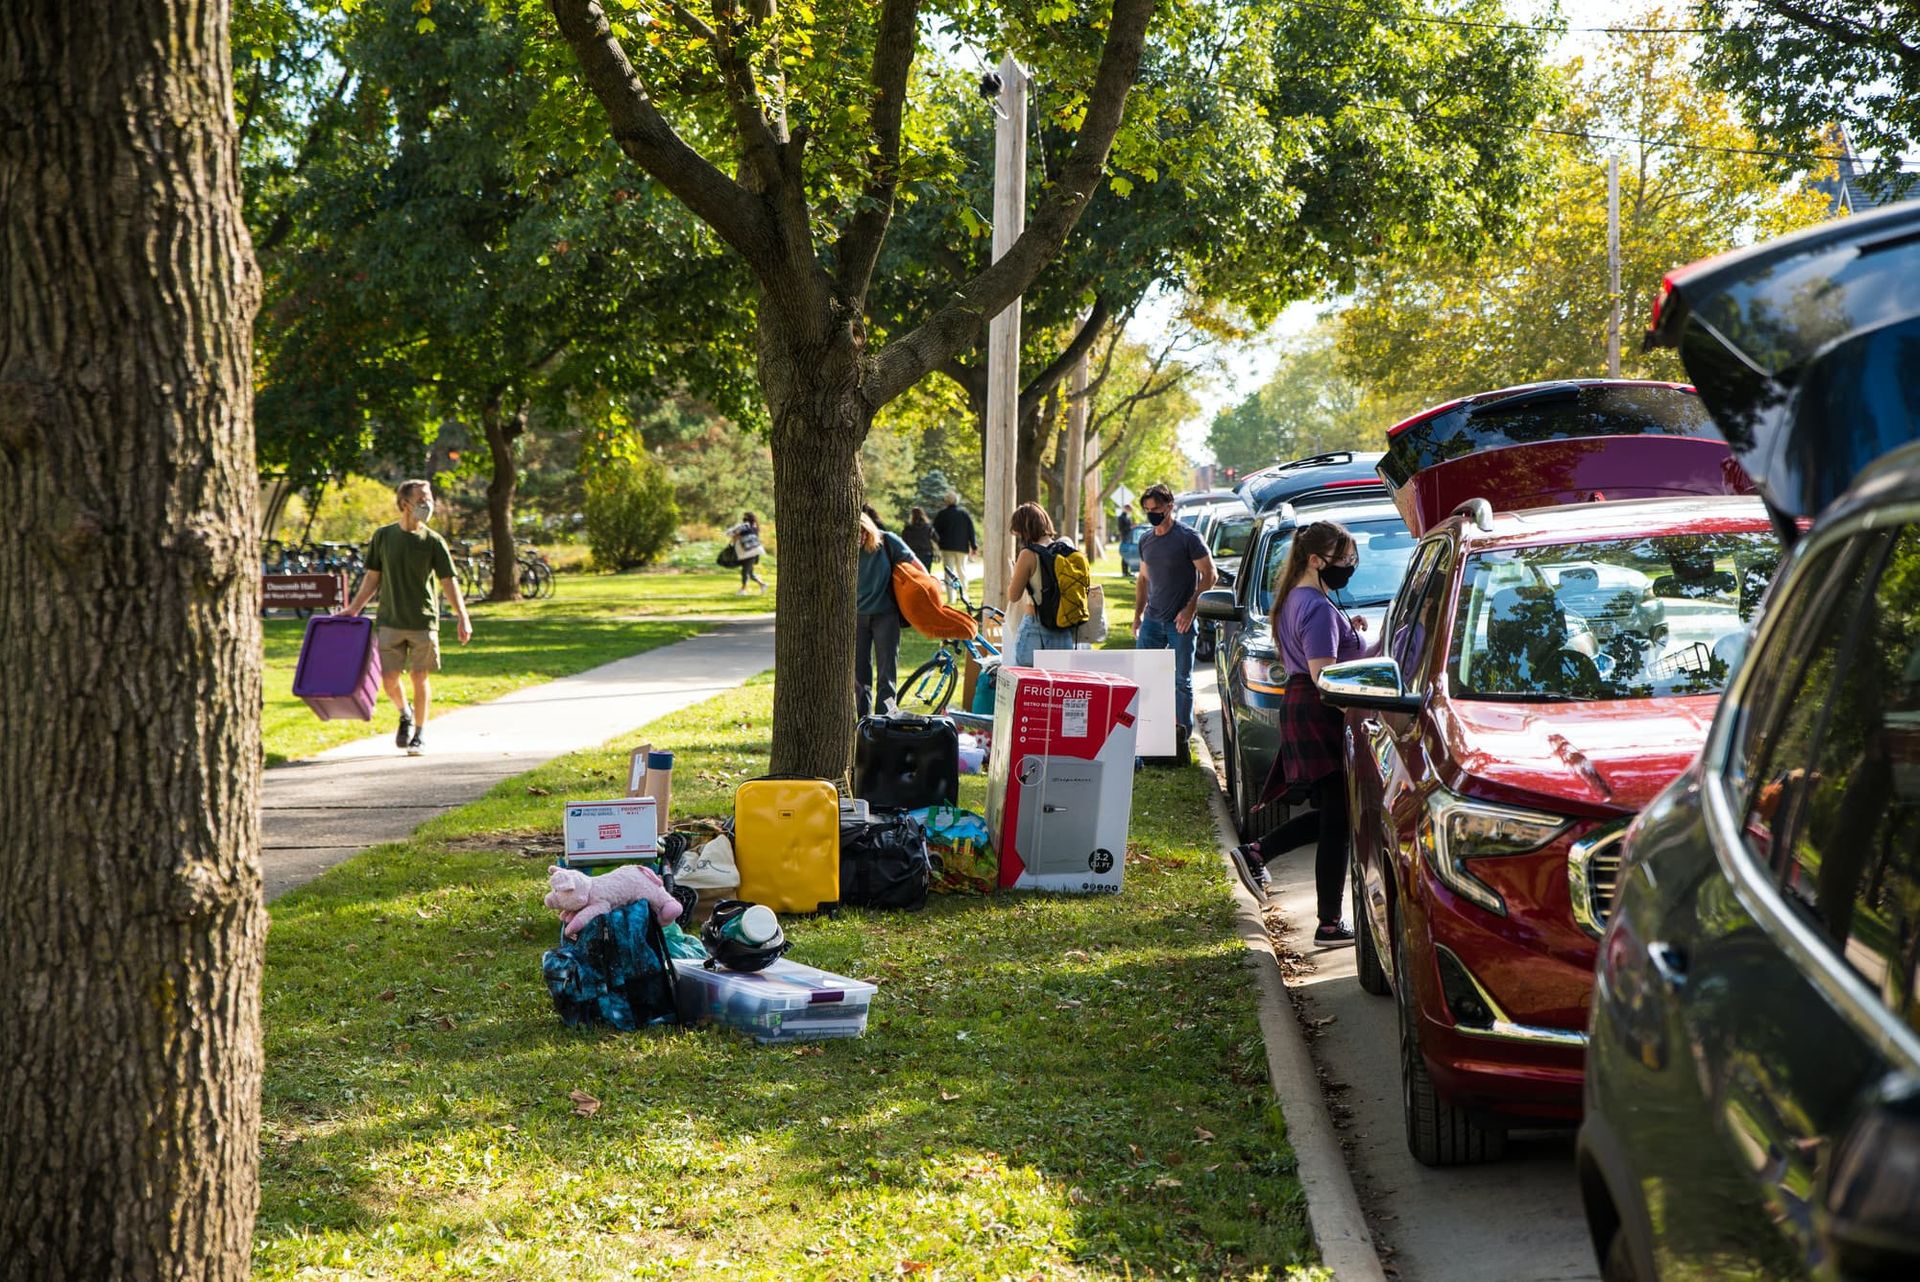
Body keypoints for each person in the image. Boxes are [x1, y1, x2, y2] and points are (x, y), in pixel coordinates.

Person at [1227, 520, 1368, 947]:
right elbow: (1324, 674)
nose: (1348, 567)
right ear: (1315, 559)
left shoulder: (1296, 598)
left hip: (1301, 706)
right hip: (1319, 710)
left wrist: (1351, 634)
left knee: (1333, 814)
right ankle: (1328, 923)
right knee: (1338, 819)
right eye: (1343, 560)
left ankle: (1258, 852)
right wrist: (1363, 709)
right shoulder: (1319, 607)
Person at [338, 478, 472, 756]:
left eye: (430, 498)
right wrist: (354, 608)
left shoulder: (434, 541)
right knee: (388, 678)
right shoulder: (383, 537)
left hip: (423, 620)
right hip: (390, 619)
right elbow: (372, 578)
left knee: (419, 676)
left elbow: (449, 581)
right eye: (422, 499)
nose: (428, 504)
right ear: (404, 503)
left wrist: (462, 615)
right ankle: (405, 713)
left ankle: (420, 734)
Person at [1131, 482, 1214, 764]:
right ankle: (1148, 738)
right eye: (1147, 510)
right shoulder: (1146, 540)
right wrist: (1137, 615)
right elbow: (1143, 579)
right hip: (1152, 620)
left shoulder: (1188, 537)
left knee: (1181, 681)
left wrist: (1190, 609)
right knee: (1146, 680)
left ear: (1170, 506)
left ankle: (1181, 739)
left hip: (1180, 621)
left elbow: (1209, 575)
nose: (1152, 514)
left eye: (1156, 509)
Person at [1006, 502, 1079, 665]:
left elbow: (1014, 595)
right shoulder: (1066, 548)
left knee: (1030, 683)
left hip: (1035, 624)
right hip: (1064, 624)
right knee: (1060, 683)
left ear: (1025, 530)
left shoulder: (1028, 554)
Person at [856, 511, 913, 718]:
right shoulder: (844, 549)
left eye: (862, 531)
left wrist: (931, 589)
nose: (859, 537)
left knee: (887, 675)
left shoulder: (888, 541)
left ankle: (886, 719)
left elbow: (915, 567)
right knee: (859, 676)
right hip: (856, 617)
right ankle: (863, 722)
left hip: (885, 616)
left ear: (869, 528)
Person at [932, 491, 978, 601]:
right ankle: (964, 595)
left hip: (947, 547)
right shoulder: (964, 514)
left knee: (949, 572)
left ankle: (951, 597)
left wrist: (938, 544)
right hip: (962, 547)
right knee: (962, 570)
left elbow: (934, 531)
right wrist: (974, 546)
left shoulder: (941, 514)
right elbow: (970, 530)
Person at [726, 511, 767, 594]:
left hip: (749, 553)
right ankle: (762, 585)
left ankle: (743, 590)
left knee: (745, 572)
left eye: (745, 517)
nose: (743, 518)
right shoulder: (754, 527)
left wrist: (734, 536)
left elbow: (732, 534)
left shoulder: (745, 527)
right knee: (750, 573)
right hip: (750, 552)